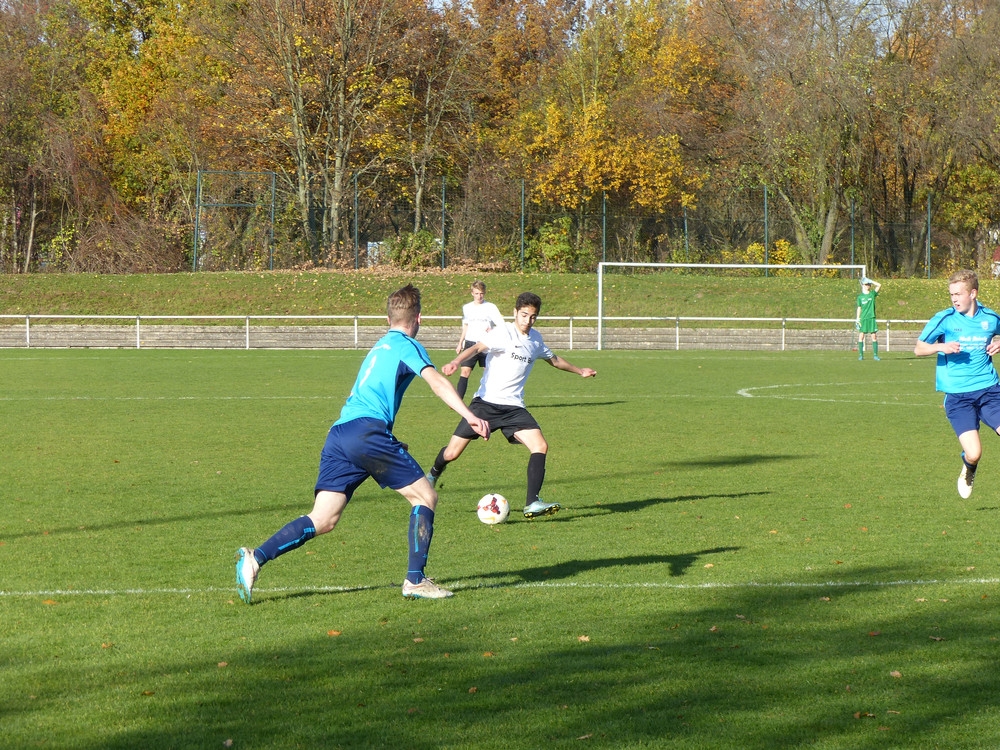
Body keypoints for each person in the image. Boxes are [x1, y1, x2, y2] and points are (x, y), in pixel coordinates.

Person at [235, 284, 490, 602]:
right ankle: (415, 580)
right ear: (418, 318)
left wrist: (382, 441)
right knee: (425, 496)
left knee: (323, 518)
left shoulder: (379, 345)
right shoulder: (406, 345)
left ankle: (255, 558)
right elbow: (436, 381)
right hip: (366, 434)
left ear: (388, 318)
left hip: (341, 434)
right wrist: (470, 415)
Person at [426, 291, 597, 518]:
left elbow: (554, 360)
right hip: (485, 405)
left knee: (540, 445)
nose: (528, 320)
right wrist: (456, 361)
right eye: (524, 315)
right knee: (451, 453)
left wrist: (580, 370)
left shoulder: (535, 339)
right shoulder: (503, 332)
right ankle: (433, 473)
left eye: (533, 316)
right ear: (515, 312)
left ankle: (532, 502)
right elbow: (476, 348)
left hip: (514, 408)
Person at [914, 269, 1000, 499]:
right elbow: (919, 348)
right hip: (958, 397)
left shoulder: (990, 318)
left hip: (989, 390)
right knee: (974, 453)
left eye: (958, 294)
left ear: (973, 293)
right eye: (951, 294)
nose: (954, 299)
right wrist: (941, 347)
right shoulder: (945, 319)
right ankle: (969, 468)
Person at [454, 280, 504, 399]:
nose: (479, 296)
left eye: (481, 293)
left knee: (489, 373)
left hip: (485, 344)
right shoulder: (467, 308)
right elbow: (466, 325)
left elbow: (501, 324)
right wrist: (460, 343)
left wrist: (493, 330)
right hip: (470, 344)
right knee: (465, 372)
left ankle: (494, 398)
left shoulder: (491, 307)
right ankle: (457, 401)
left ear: (484, 293)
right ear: (472, 293)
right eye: (476, 293)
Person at [856, 276, 882, 360]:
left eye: (869, 284)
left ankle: (875, 355)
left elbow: (879, 285)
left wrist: (871, 281)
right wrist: (857, 318)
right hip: (863, 318)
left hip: (871, 318)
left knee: (874, 336)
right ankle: (861, 355)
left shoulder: (872, 294)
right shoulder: (860, 297)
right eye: (866, 284)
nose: (868, 286)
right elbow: (859, 308)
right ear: (863, 285)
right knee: (861, 336)